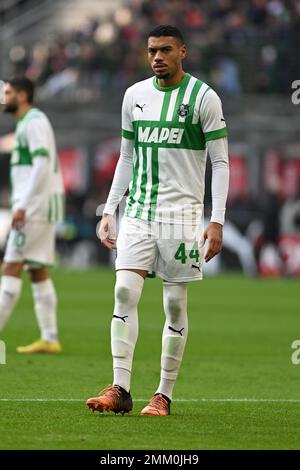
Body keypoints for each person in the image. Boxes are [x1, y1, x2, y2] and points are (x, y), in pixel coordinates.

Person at [86, 25, 229, 416]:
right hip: (139, 213)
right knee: (123, 293)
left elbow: (219, 161)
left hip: (182, 218)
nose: (157, 57)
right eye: (152, 51)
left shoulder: (204, 98)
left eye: (165, 50)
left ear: (183, 51)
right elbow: (127, 156)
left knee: (175, 306)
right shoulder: (134, 96)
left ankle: (163, 394)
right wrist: (110, 209)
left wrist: (216, 220)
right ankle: (120, 389)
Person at [0, 77, 65, 353]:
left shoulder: (34, 122)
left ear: (23, 95)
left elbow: (41, 165)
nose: (4, 97)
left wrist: (23, 205)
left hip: (35, 207)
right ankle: (50, 339)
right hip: (40, 205)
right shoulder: (27, 123)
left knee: (11, 265)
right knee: (37, 270)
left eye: (9, 92)